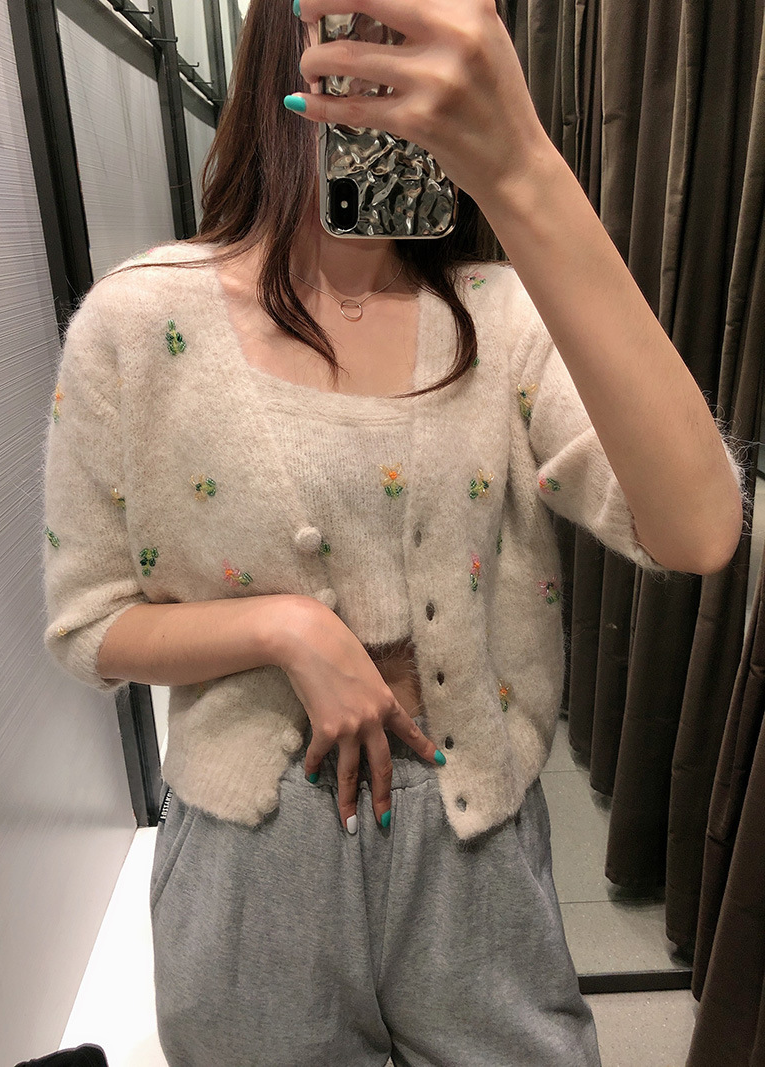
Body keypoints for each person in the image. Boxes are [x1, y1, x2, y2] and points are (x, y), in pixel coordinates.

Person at [42, 0, 747, 1064]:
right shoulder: (139, 324)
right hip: (249, 860)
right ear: (288, 45)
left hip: (473, 841)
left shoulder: (503, 317)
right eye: (358, 24)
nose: (391, 64)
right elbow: (88, 624)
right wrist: (285, 630)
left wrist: (526, 171)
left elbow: (698, 530)